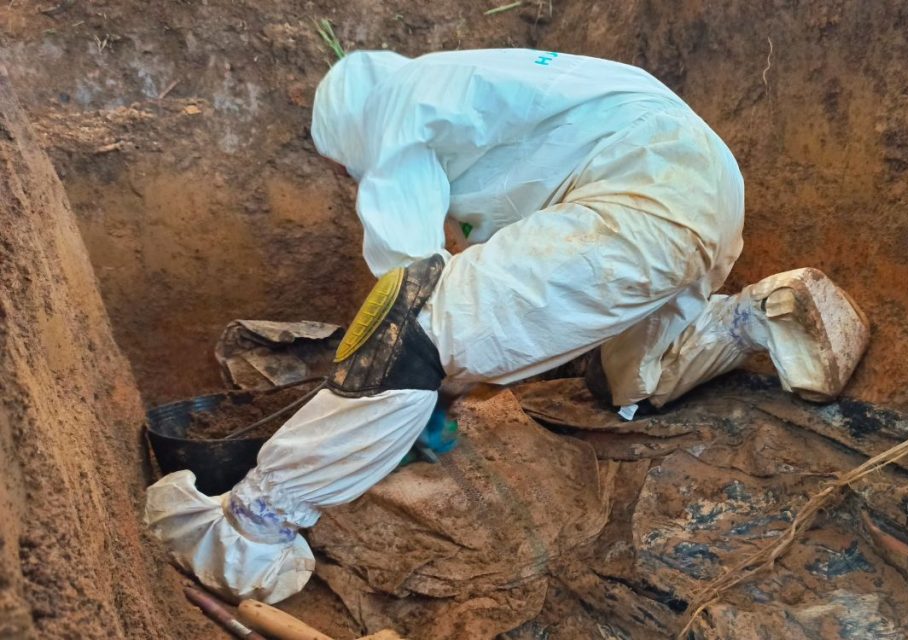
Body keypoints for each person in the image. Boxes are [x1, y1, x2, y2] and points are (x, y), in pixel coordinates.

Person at [145, 49, 869, 603]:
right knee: (630, 382)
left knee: (410, 330)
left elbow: (409, 290)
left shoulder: (391, 111)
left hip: (641, 204)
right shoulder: (468, 87)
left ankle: (253, 528)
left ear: (348, 135)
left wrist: (420, 375)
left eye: (345, 171)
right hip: (702, 196)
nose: (350, 182)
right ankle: (757, 316)